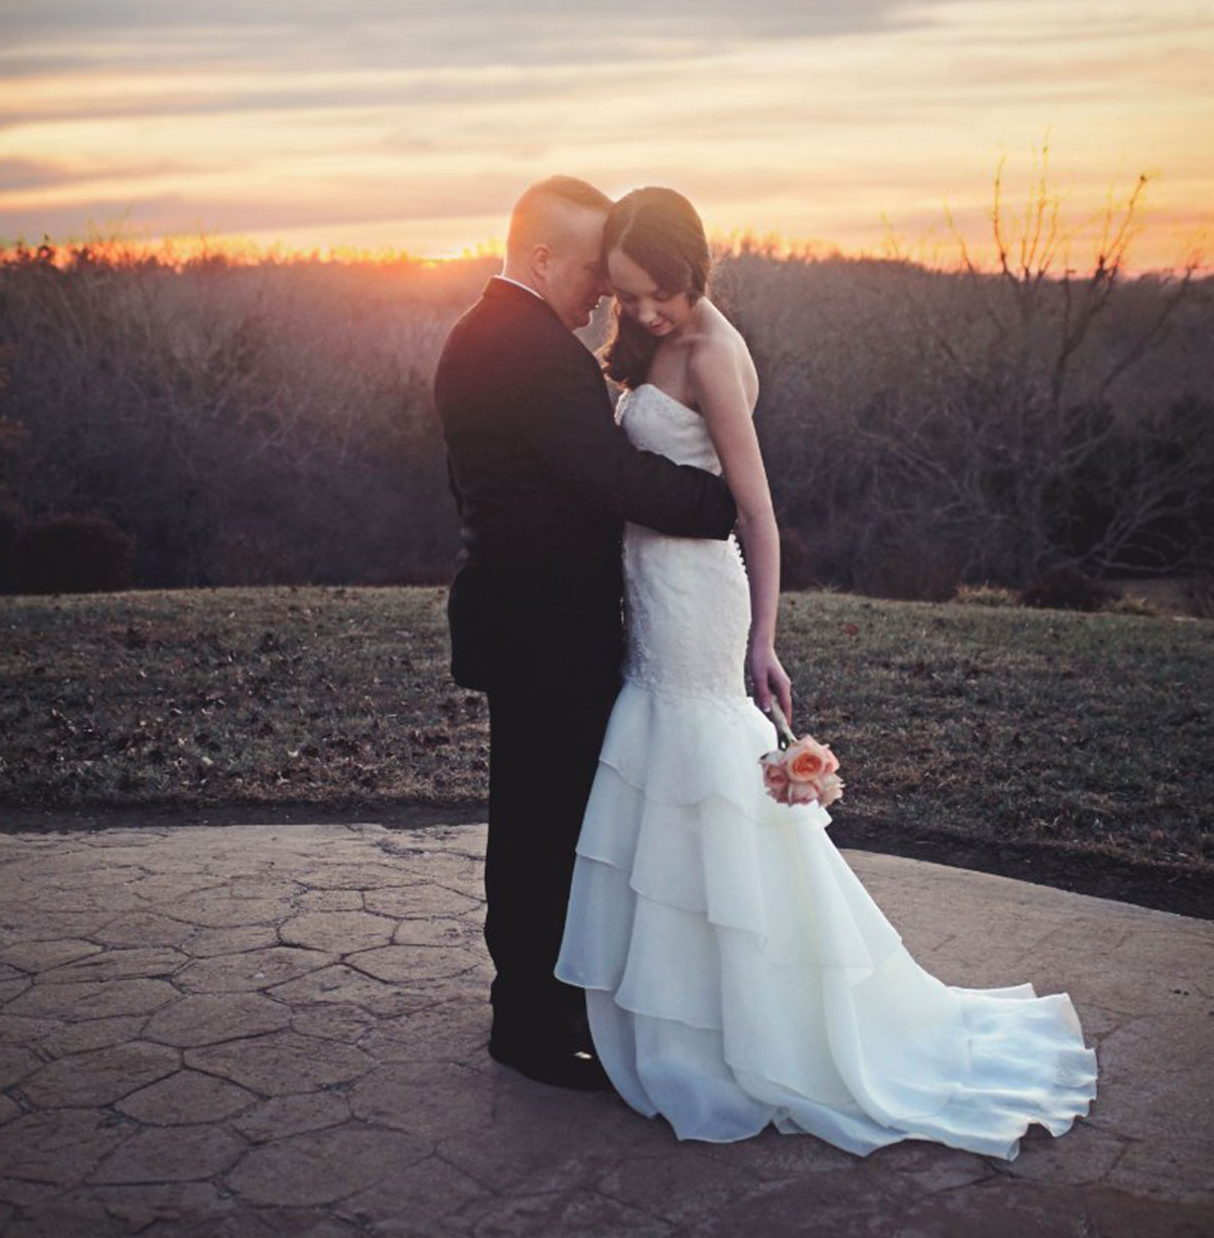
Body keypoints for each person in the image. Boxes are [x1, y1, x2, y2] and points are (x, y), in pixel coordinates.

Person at [554, 187, 1098, 1158]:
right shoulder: (649, 341)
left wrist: (763, 639)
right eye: (627, 296)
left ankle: (754, 1026)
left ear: (693, 269)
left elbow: (755, 513)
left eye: (655, 295)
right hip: (648, 600)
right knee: (666, 799)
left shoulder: (714, 353)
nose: (641, 314)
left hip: (700, 608)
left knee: (710, 793)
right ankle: (680, 1015)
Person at [432, 176, 739, 1091]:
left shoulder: (482, 335)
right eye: (593, 275)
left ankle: (542, 1002)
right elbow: (613, 479)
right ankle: (529, 1023)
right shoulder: (526, 350)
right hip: (545, 630)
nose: (604, 294)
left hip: (525, 617)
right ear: (540, 259)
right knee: (541, 828)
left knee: (540, 820)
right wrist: (718, 503)